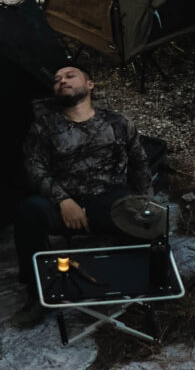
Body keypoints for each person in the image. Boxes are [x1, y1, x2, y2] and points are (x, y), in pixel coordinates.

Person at [14, 64, 149, 291]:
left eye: (70, 76)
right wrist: (63, 200)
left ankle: (135, 282)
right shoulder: (44, 127)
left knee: (137, 213)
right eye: (57, 79)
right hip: (63, 205)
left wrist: (148, 203)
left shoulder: (118, 122)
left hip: (109, 201)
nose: (62, 81)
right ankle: (37, 287)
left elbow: (139, 162)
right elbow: (34, 167)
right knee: (29, 210)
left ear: (90, 84)